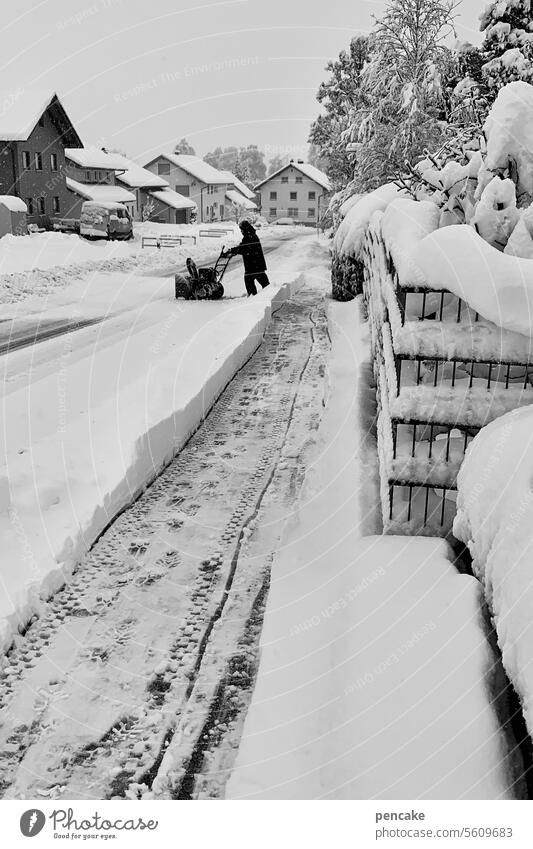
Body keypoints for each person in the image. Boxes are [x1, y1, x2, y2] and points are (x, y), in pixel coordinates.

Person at [224, 220, 270, 296]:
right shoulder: (251, 235)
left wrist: (232, 251)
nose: (241, 231)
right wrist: (233, 251)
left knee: (249, 280)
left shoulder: (249, 237)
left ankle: (253, 297)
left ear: (245, 229)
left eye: (241, 229)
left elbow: (243, 248)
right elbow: (243, 248)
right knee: (263, 283)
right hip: (257, 265)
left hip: (253, 265)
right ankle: (267, 294)